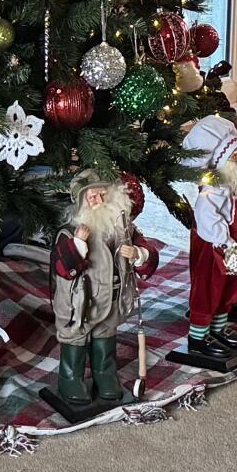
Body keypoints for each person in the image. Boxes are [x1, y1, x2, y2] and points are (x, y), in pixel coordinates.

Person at [48, 170, 157, 409]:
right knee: (76, 338)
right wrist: (78, 245)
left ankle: (104, 375)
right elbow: (63, 267)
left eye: (102, 195)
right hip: (81, 303)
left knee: (105, 337)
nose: (98, 201)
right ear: (81, 202)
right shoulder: (70, 232)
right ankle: (70, 378)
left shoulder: (123, 228)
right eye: (92, 197)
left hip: (113, 298)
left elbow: (146, 250)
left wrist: (139, 254)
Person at [183, 111, 237, 365]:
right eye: (235, 155)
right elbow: (208, 221)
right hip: (216, 248)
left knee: (231, 288)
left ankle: (219, 327)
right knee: (209, 288)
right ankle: (198, 337)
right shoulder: (214, 190)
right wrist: (226, 244)